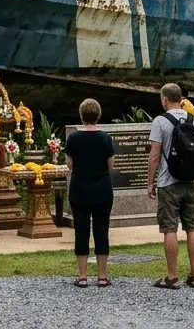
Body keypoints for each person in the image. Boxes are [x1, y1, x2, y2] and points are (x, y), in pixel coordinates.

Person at [147, 83, 194, 289]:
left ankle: (172, 277)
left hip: (168, 181)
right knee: (192, 227)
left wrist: (150, 182)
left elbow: (155, 155)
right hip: (191, 181)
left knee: (169, 228)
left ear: (164, 99)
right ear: (180, 99)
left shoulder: (160, 121)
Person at [65, 98, 115, 288]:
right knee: (102, 230)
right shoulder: (105, 138)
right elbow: (111, 165)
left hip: (80, 187)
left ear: (81, 116)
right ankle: (102, 276)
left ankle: (83, 276)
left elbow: (70, 164)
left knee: (81, 230)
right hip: (102, 188)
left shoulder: (74, 138)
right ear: (98, 116)